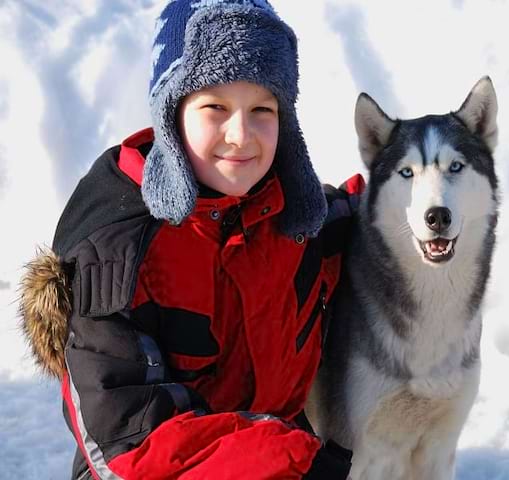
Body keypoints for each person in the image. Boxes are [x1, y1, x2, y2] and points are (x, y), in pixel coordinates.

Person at [18, 1, 363, 478]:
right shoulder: (118, 250)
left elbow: (371, 222)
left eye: (262, 108)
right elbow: (131, 442)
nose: (241, 135)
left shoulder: (288, 215)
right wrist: (293, 459)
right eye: (215, 107)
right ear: (171, 114)